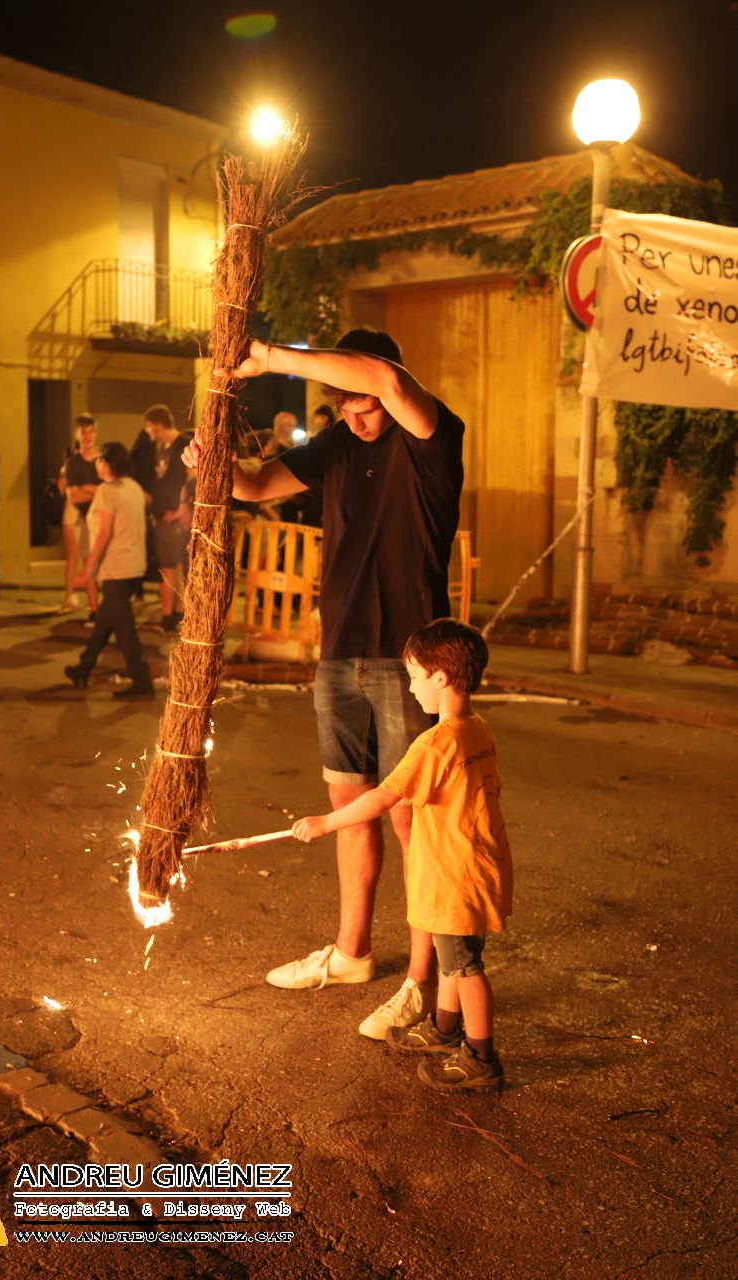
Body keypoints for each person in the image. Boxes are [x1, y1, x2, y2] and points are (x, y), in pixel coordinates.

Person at [184, 327, 465, 1039]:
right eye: (341, 401)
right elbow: (253, 486)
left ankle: (421, 984)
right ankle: (352, 953)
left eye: (360, 396)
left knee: (411, 821)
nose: (353, 411)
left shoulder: (429, 435)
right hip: (339, 652)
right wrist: (209, 464)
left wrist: (270, 356)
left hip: (411, 662)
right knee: (349, 806)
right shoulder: (337, 445)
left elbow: (392, 387)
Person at [293, 619, 511, 1091]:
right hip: (475, 866)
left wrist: (326, 822)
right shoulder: (478, 730)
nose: (410, 688)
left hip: (453, 876)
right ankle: (445, 1027)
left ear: (442, 678)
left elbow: (383, 797)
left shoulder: (434, 744)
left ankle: (480, 1055)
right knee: (450, 955)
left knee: (464, 967)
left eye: (414, 677)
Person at [63, 442, 153, 699]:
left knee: (126, 631)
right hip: (134, 566)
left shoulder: (106, 491)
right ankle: (83, 668)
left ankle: (142, 681)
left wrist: (88, 568)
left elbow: (104, 532)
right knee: (104, 622)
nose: (96, 463)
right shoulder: (134, 488)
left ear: (108, 463)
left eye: (100, 459)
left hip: (116, 568)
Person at [143, 404, 193, 634]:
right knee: (172, 565)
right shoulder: (161, 447)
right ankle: (174, 615)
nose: (147, 432)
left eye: (149, 427)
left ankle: (171, 616)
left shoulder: (182, 445)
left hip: (174, 516)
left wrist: (181, 508)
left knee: (172, 566)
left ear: (158, 425)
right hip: (162, 515)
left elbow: (191, 477)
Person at [61, 414, 100, 619]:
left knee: (93, 561)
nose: (86, 436)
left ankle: (94, 605)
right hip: (78, 516)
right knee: (79, 557)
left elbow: (106, 489)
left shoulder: (101, 459)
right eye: (83, 432)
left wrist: (87, 488)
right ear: (78, 434)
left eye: (90, 432)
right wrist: (95, 490)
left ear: (95, 433)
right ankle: (74, 598)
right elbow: (73, 495)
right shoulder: (73, 463)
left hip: (98, 517)